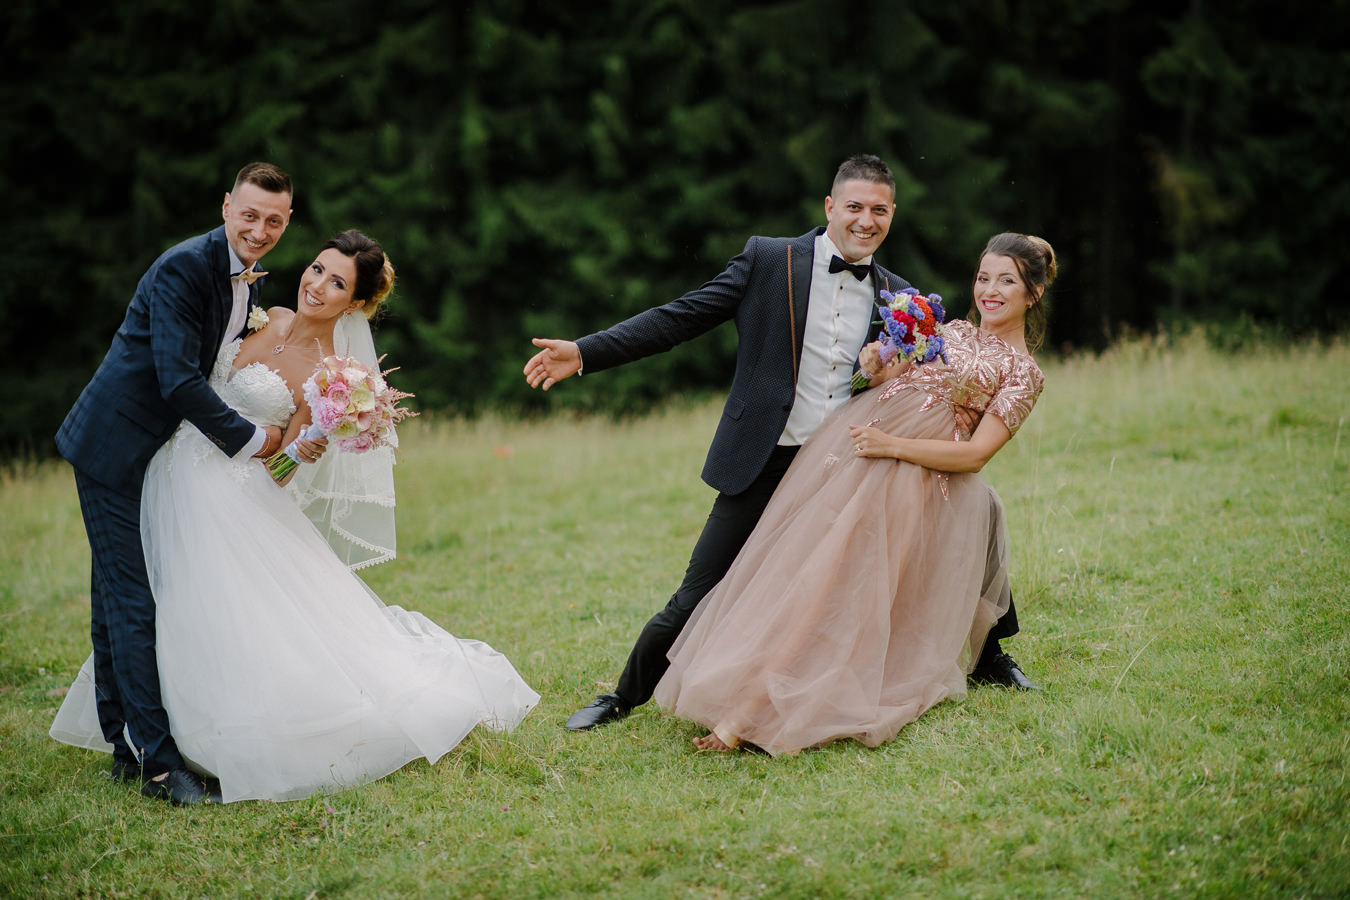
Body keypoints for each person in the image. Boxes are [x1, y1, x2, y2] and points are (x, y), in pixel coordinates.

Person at [526, 155, 1034, 735]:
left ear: (892, 215)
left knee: (953, 522)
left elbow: (918, 384)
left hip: (845, 465)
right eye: (854, 207)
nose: (865, 220)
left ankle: (989, 654)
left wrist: (883, 380)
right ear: (830, 207)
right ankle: (622, 696)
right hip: (764, 458)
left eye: (879, 210)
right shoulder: (770, 260)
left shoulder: (901, 297)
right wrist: (586, 352)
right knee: (699, 590)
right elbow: (680, 317)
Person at [52, 230, 539, 803]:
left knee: (201, 609)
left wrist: (302, 452)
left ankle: (191, 740)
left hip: (224, 497)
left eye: (337, 283)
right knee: (144, 597)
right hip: (167, 468)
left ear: (355, 303)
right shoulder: (266, 316)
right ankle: (134, 737)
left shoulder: (332, 376)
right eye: (316, 269)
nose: (317, 285)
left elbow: (278, 469)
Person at [654, 233, 1055, 755]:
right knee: (803, 568)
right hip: (857, 449)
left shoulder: (1024, 373)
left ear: (1034, 293)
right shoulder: (948, 329)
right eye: (983, 278)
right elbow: (893, 376)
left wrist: (892, 446)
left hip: (911, 473)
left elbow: (977, 455)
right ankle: (743, 698)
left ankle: (748, 715)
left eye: (1006, 281)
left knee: (838, 583)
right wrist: (875, 366)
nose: (989, 291)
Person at [52, 162, 316, 805]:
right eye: (249, 215)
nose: (259, 230)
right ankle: (159, 766)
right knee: (132, 601)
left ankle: (123, 746)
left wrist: (289, 445)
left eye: (274, 221)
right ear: (226, 206)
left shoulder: (251, 283)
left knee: (114, 598)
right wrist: (252, 440)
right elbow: (176, 378)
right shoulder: (185, 266)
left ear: (286, 223)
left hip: (161, 453)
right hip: (113, 446)